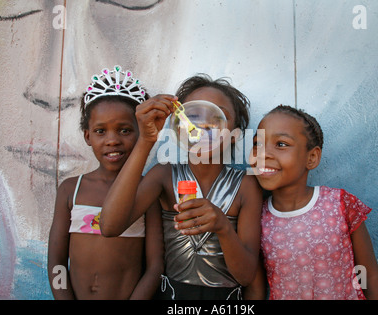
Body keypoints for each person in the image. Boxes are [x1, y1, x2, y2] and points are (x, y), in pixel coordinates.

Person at [100, 74, 262, 300]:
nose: (203, 125)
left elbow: (245, 276)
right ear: (178, 127)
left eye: (217, 117)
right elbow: (109, 226)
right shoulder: (164, 175)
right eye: (193, 116)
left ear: (235, 135)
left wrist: (223, 227)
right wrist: (146, 140)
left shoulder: (246, 186)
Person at [47, 66, 164, 300]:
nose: (112, 140)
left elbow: (155, 269)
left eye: (125, 130)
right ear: (87, 136)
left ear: (142, 133)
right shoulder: (71, 190)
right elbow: (56, 263)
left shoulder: (147, 191)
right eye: (101, 131)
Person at [248, 105, 378, 300]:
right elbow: (256, 288)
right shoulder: (256, 217)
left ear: (311, 157)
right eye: (257, 144)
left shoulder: (340, 204)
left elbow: (368, 273)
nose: (263, 154)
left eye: (281, 144)